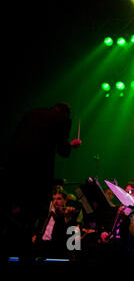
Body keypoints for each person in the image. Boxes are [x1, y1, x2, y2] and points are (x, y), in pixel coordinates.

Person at [1, 102, 82, 259]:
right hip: (38, 174)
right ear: (65, 114)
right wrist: (71, 146)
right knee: (31, 216)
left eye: (60, 198)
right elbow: (63, 151)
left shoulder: (32, 112)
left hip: (15, 170)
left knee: (12, 216)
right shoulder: (62, 120)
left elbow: (14, 137)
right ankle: (26, 254)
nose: (57, 201)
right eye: (55, 198)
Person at [31, 186, 81, 259]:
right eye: (54, 199)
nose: (55, 201)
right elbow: (39, 228)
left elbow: (65, 237)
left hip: (55, 250)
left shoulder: (66, 216)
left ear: (65, 200)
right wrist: (35, 235)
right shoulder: (48, 214)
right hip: (41, 247)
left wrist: (67, 217)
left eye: (59, 199)